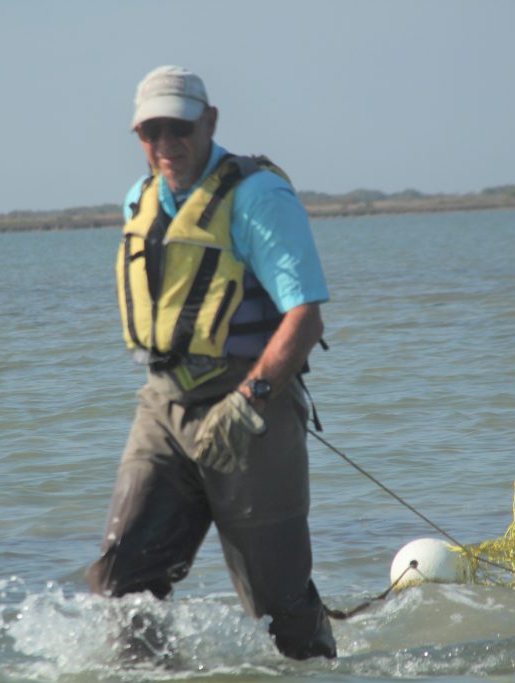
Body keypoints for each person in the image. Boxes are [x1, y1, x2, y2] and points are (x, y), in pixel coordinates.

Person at [85, 65, 336, 660]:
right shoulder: (138, 199)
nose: (167, 145)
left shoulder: (259, 197)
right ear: (139, 137)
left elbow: (305, 317)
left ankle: (319, 669)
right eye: (152, 132)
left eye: (180, 128)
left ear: (210, 122)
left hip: (251, 405)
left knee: (279, 609)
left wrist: (248, 405)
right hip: (163, 405)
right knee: (123, 585)